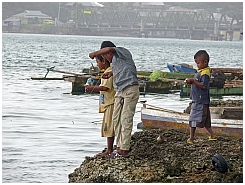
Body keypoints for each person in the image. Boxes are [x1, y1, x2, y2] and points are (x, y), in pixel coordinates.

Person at [89, 41, 139, 158]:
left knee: (126, 119)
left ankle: (124, 150)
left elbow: (110, 49)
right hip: (120, 91)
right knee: (116, 119)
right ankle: (119, 147)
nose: (106, 58)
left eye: (106, 55)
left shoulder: (123, 52)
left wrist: (95, 53)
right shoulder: (115, 63)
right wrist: (111, 74)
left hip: (130, 89)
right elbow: (121, 69)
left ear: (109, 52)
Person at [85, 55, 116, 157]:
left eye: (97, 61)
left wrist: (92, 88)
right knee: (108, 127)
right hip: (108, 102)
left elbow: (105, 88)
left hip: (110, 103)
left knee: (109, 127)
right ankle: (110, 149)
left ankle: (109, 150)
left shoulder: (109, 71)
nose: (97, 64)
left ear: (103, 61)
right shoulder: (107, 71)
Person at [185, 50, 217, 145]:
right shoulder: (201, 71)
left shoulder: (205, 74)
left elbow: (204, 86)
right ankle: (212, 135)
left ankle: (191, 138)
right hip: (202, 100)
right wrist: (191, 81)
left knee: (193, 118)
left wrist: (193, 81)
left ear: (205, 62)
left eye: (198, 63)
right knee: (206, 119)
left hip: (199, 100)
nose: (197, 65)